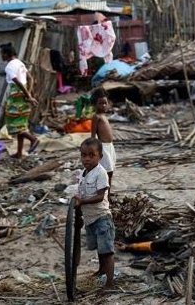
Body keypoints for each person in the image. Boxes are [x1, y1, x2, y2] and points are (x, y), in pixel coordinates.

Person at [74, 137, 116, 289]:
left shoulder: (101, 173)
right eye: (84, 155)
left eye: (91, 155)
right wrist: (79, 211)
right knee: (100, 249)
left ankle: (109, 283)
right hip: (90, 219)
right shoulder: (84, 174)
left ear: (100, 156)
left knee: (107, 252)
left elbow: (99, 197)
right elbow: (81, 194)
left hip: (102, 218)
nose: (87, 159)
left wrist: (82, 202)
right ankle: (101, 270)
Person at [0, 43, 39, 158]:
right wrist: (28, 94)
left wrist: (29, 96)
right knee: (21, 125)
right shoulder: (19, 63)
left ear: (6, 54)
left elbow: (17, 82)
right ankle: (19, 152)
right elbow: (30, 79)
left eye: (2, 54)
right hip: (24, 96)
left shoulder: (9, 66)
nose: (1, 56)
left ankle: (33, 139)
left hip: (16, 97)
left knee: (12, 124)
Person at [91, 88, 116, 187]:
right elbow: (93, 135)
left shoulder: (104, 116)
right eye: (101, 103)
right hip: (103, 147)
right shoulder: (96, 117)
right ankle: (105, 195)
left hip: (110, 146)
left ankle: (107, 193)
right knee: (107, 172)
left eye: (105, 103)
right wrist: (95, 150)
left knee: (111, 170)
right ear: (95, 104)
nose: (104, 105)